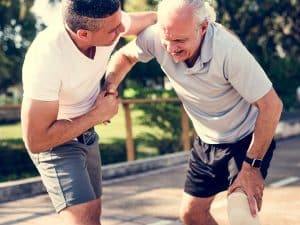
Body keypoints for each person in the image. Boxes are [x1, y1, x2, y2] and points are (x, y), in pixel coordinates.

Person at [104, 0, 283, 225]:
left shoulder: (227, 51)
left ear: (203, 28)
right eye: (166, 39)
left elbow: (272, 106)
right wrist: (109, 89)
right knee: (192, 216)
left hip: (245, 139)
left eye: (180, 40)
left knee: (241, 214)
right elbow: (126, 56)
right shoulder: (155, 37)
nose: (171, 48)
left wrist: (252, 166)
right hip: (207, 142)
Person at [21, 0, 156, 224]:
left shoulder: (109, 22)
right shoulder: (45, 57)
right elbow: (36, 139)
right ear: (83, 34)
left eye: (120, 21)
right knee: (82, 217)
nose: (122, 30)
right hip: (55, 142)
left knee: (93, 215)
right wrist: (97, 114)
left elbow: (154, 18)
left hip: (87, 134)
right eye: (114, 30)